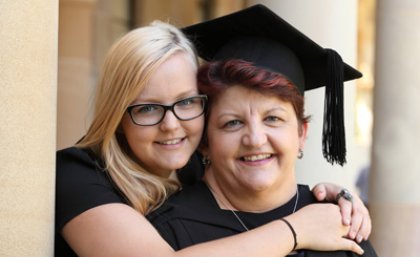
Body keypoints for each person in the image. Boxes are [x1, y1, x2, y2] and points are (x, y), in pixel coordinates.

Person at [55, 14, 369, 257]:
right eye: (148, 108)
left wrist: (331, 195)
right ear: (118, 115)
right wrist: (296, 229)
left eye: (186, 102)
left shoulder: (190, 168)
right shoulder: (76, 175)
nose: (171, 125)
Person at [148, 4, 377, 256]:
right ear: (205, 140)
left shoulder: (340, 225)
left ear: (301, 133)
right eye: (232, 123)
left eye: (273, 119)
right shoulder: (167, 233)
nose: (255, 139)